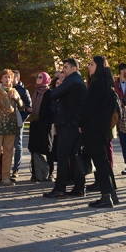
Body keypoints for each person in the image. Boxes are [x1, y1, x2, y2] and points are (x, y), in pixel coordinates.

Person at [77, 56, 118, 209]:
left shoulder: (97, 84)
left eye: (91, 64)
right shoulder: (108, 84)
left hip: (93, 128)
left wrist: (79, 122)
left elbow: (88, 106)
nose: (89, 66)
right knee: (104, 161)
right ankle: (112, 194)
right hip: (102, 127)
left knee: (100, 162)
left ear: (99, 66)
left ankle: (106, 196)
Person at [43, 59, 87, 199]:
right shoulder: (79, 80)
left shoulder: (72, 80)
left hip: (68, 124)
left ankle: (60, 188)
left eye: (66, 67)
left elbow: (53, 94)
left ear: (74, 68)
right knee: (74, 156)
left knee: (62, 156)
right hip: (76, 124)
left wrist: (59, 86)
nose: (63, 70)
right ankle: (80, 187)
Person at [0, 69, 23, 187]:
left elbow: (22, 107)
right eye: (5, 77)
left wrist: (17, 100)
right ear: (1, 79)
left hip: (11, 127)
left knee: (8, 152)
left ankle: (5, 177)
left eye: (10, 77)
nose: (8, 79)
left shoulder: (14, 91)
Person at [28, 72, 53, 181]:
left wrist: (46, 121)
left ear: (46, 80)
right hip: (35, 124)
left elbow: (51, 110)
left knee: (48, 150)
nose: (37, 79)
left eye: (40, 77)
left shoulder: (49, 93)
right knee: (33, 149)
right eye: (37, 77)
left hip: (45, 126)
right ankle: (35, 173)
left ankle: (49, 173)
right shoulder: (35, 92)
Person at [12, 70, 32, 180]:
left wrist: (21, 119)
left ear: (18, 79)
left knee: (18, 146)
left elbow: (29, 108)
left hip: (18, 123)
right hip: (7, 122)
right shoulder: (6, 89)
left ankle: (16, 169)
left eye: (13, 77)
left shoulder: (23, 91)